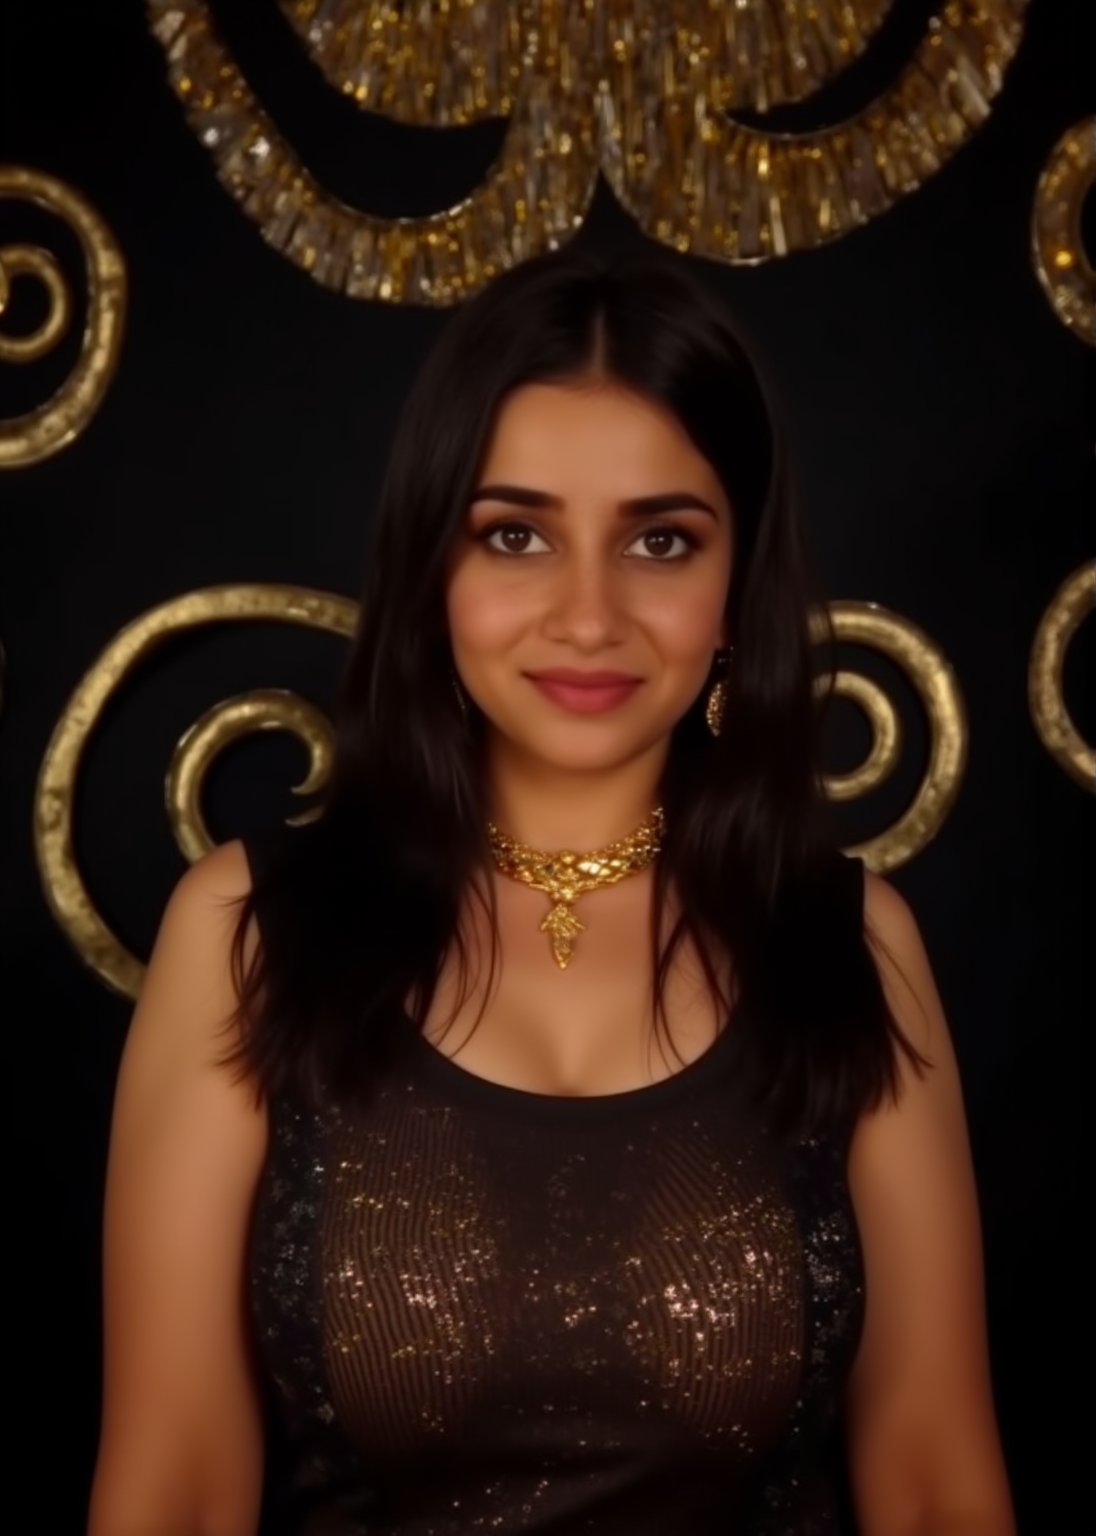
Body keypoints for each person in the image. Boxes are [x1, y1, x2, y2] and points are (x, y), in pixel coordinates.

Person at [86, 247, 1016, 1536]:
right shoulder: (248, 935)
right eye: (517, 535)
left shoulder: (855, 946)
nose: (590, 616)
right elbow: (175, 1489)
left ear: (739, 587)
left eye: (661, 540)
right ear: (433, 572)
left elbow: (932, 1486)